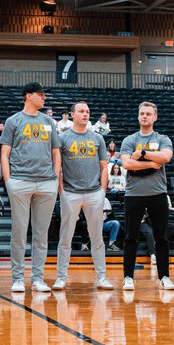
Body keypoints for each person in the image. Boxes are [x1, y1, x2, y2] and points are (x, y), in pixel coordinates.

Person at [1, 82, 61, 293]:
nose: (44, 98)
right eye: (40, 94)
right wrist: (8, 181)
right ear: (28, 96)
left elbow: (56, 152)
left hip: (46, 183)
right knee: (19, 233)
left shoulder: (49, 122)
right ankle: (18, 278)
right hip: (20, 181)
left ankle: (38, 279)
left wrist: (55, 178)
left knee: (41, 234)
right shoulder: (13, 121)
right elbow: (4, 154)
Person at [55, 101, 112, 290]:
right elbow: (57, 167)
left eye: (87, 111)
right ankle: (61, 277)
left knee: (97, 238)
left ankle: (102, 277)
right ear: (72, 114)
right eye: (81, 111)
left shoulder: (98, 138)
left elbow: (104, 166)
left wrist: (102, 191)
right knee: (65, 238)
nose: (85, 114)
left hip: (94, 193)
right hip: (70, 193)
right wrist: (61, 191)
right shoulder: (62, 138)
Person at [120, 102, 174, 290]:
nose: (145, 116)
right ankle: (128, 277)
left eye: (148, 114)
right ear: (138, 116)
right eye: (142, 113)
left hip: (157, 193)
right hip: (133, 194)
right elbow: (127, 164)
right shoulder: (129, 140)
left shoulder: (163, 138)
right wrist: (151, 163)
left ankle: (164, 277)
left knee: (162, 238)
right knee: (130, 237)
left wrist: (142, 154)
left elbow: (165, 157)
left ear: (155, 117)